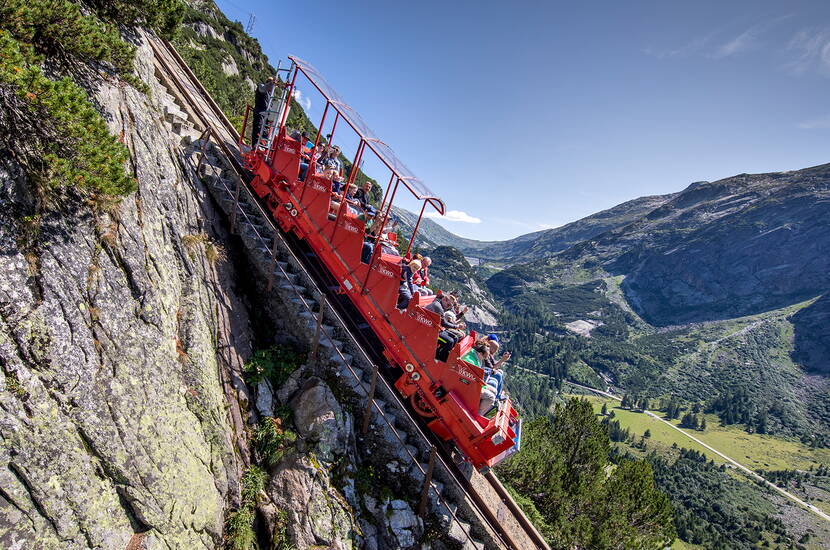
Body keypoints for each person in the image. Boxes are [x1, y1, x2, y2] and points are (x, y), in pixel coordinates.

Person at [252, 77, 276, 146]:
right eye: (272, 85)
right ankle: (254, 147)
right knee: (257, 131)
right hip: (259, 113)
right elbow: (263, 89)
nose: (273, 88)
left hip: (266, 116)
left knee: (264, 133)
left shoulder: (270, 94)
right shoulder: (262, 86)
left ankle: (260, 147)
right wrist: (272, 83)